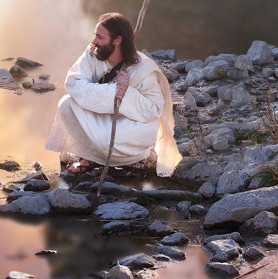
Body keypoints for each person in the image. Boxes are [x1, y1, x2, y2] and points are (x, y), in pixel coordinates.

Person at [45, 11, 181, 177]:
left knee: (107, 139)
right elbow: (73, 83)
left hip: (130, 125)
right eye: (95, 35)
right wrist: (113, 91)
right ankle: (89, 157)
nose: (94, 41)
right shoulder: (92, 53)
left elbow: (154, 109)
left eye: (100, 37)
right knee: (66, 104)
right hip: (100, 117)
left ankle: (135, 157)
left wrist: (127, 93)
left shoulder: (144, 69)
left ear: (117, 40)